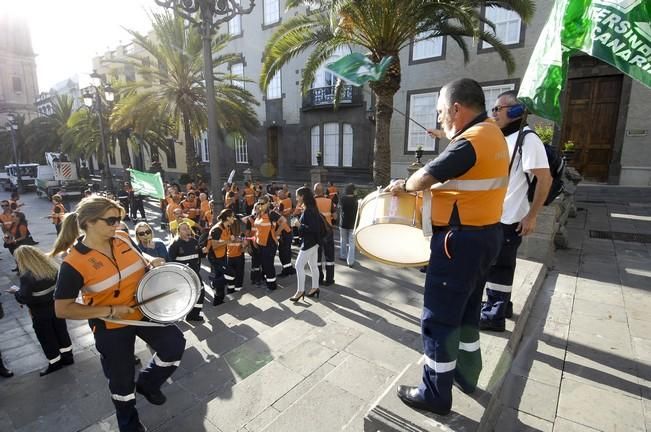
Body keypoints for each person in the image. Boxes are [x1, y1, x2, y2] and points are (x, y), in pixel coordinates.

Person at [387, 78, 508, 415]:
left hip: (459, 242)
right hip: (485, 236)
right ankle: (467, 376)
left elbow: (422, 178)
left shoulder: (469, 142)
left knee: (439, 318)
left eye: (441, 111)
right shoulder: (492, 132)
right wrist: (444, 136)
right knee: (468, 311)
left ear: (457, 108)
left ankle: (435, 393)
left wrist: (404, 184)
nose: (439, 118)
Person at [52, 196, 185, 432]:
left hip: (144, 311)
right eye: (112, 220)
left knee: (174, 344)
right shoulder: (73, 263)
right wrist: (110, 310)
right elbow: (62, 309)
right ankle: (129, 424)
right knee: (122, 383)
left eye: (120, 219)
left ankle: (147, 383)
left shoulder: (122, 237)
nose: (118, 225)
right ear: (89, 222)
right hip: (111, 325)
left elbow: (137, 256)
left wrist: (150, 259)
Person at [480, 90, 552, 332]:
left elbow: (545, 179)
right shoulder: (505, 136)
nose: (493, 113)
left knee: (500, 267)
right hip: (495, 215)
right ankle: (502, 305)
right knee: (496, 264)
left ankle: (494, 316)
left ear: (515, 111)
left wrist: (532, 215)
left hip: (511, 218)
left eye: (497, 109)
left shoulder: (527, 139)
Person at [13, 245, 73, 376]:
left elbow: (24, 297)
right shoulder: (51, 267)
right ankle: (68, 357)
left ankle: (55, 362)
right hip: (56, 308)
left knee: (47, 338)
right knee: (61, 332)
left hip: (40, 313)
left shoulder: (27, 276)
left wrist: (15, 293)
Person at [289, 187, 321, 302]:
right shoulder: (311, 208)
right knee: (313, 265)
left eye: (297, 196)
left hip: (309, 243)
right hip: (314, 242)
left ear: (302, 196)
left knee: (298, 265)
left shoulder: (309, 210)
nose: (296, 198)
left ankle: (300, 291)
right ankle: (315, 287)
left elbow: (311, 228)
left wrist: (298, 224)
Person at [168, 222, 205, 321]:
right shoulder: (175, 244)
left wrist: (203, 252)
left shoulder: (194, 241)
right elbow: (170, 261)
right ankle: (177, 315)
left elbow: (199, 255)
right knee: (183, 296)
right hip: (182, 276)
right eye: (184, 229)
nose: (187, 230)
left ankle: (193, 315)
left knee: (200, 292)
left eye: (188, 228)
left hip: (195, 273)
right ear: (178, 231)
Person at [252, 195, 280, 291]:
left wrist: (276, 232)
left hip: (270, 244)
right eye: (259, 203)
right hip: (261, 244)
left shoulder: (272, 214)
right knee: (265, 264)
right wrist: (255, 239)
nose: (260, 205)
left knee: (268, 265)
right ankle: (268, 282)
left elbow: (283, 221)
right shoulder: (259, 213)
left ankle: (272, 286)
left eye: (262, 203)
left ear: (268, 203)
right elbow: (257, 229)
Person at [314, 183, 336, 285]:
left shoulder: (311, 202)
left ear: (314, 191)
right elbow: (335, 217)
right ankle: (329, 279)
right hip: (328, 231)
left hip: (316, 232)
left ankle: (319, 279)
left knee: (317, 257)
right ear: (323, 191)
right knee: (329, 256)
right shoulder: (329, 201)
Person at [338, 183, 358, 267]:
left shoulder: (342, 199)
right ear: (353, 190)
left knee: (343, 240)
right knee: (351, 243)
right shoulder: (356, 200)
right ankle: (350, 261)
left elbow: (339, 207)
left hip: (343, 223)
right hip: (353, 224)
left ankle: (343, 256)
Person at [276, 190, 295, 277]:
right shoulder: (289, 200)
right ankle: (289, 268)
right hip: (289, 226)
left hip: (283, 229)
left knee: (283, 251)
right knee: (287, 250)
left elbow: (278, 215)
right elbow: (293, 210)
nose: (278, 196)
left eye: (279, 195)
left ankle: (286, 270)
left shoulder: (281, 203)